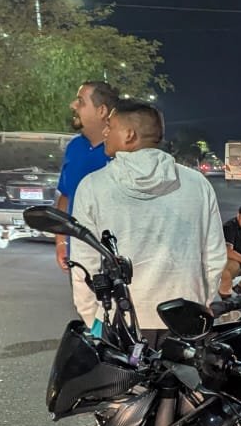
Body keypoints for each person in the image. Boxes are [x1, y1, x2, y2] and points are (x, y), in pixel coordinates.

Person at [68, 100, 227, 348]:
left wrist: (94, 319)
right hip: (184, 321)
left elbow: (83, 263)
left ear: (130, 134)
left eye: (110, 126)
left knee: (125, 388)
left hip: (121, 323)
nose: (105, 132)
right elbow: (215, 257)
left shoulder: (93, 186)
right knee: (182, 387)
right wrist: (197, 303)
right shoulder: (197, 185)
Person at [55, 80, 119, 271]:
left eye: (80, 102)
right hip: (80, 257)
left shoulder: (122, 151)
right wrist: (61, 243)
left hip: (116, 258)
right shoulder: (74, 148)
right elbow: (66, 196)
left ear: (101, 111)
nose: (73, 106)